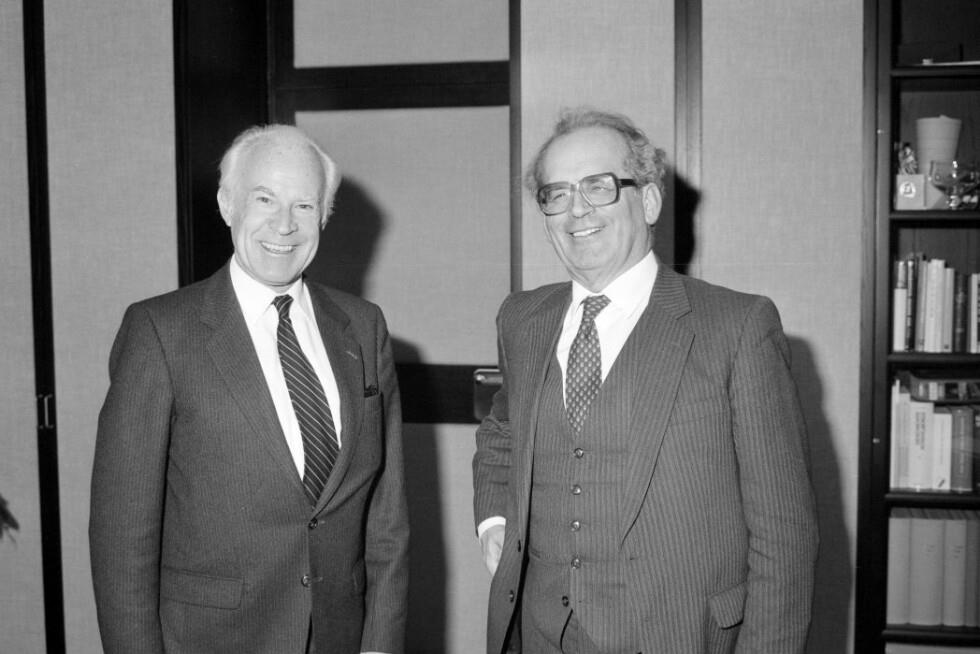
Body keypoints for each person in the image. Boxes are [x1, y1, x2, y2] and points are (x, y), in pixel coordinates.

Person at [472, 108, 818, 654]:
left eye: (598, 186)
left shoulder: (737, 326)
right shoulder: (522, 319)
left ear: (649, 200)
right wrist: (493, 519)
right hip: (537, 632)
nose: (576, 209)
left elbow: (784, 534)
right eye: (556, 194)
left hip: (676, 634)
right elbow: (502, 429)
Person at [90, 124, 408, 654]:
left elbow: (387, 514)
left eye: (304, 205)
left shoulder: (363, 326)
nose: (284, 225)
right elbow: (121, 537)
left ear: (324, 216)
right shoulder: (160, 332)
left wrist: (379, 644)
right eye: (264, 199)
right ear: (227, 204)